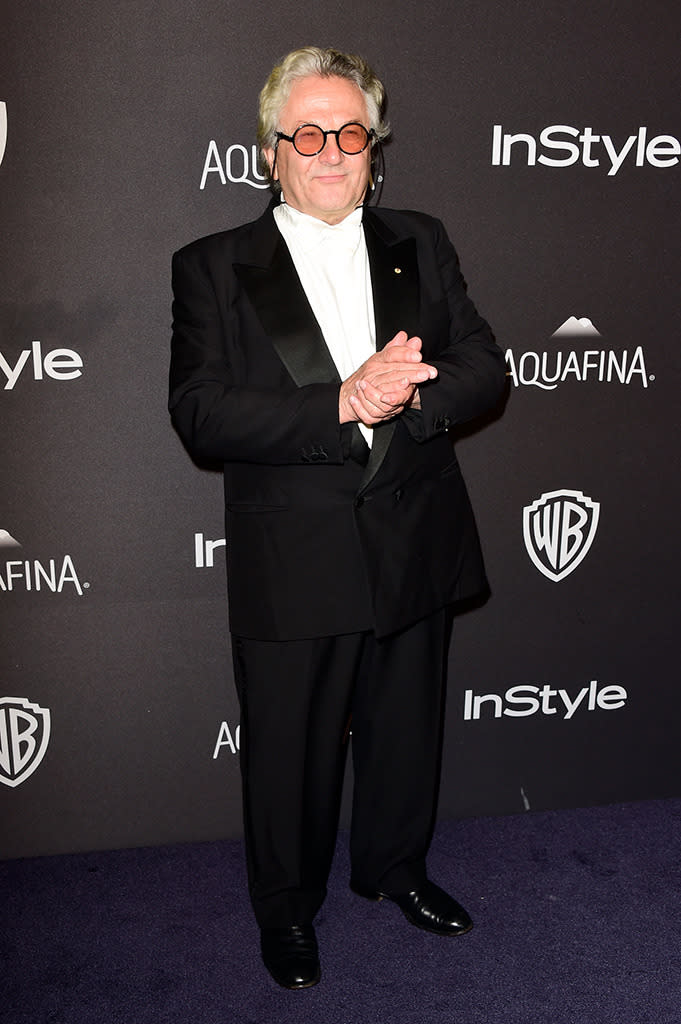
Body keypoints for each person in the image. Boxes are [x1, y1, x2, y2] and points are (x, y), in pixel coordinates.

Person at [169, 46, 506, 989]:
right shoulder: (210, 266)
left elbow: (484, 360)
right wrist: (343, 404)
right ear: (272, 150)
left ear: (373, 148)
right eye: (308, 134)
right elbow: (199, 410)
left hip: (414, 537)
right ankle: (286, 911)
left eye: (349, 132)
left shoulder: (420, 239)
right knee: (288, 755)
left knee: (405, 730)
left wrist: (416, 392)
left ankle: (395, 869)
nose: (330, 150)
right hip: (295, 553)